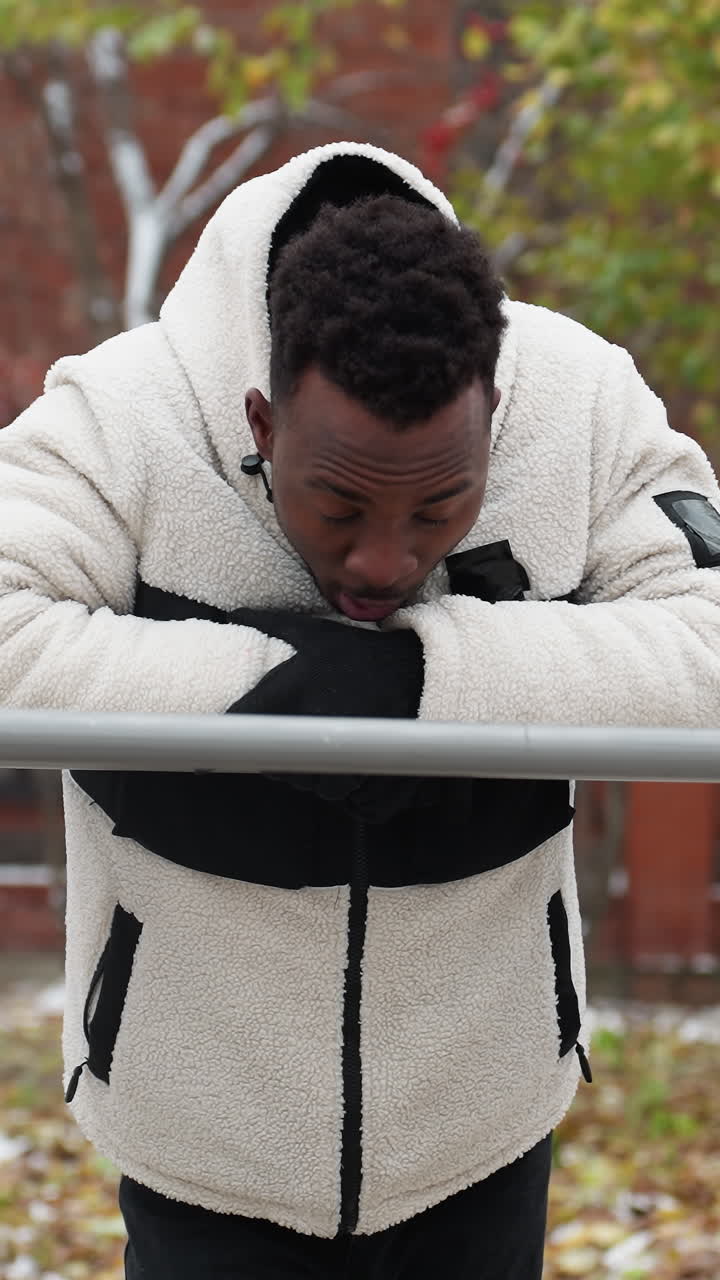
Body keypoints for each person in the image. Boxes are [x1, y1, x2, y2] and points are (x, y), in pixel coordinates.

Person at [1, 141, 720, 1279]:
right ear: (259, 419)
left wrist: (425, 680)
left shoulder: (576, 402)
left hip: (479, 1117)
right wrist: (274, 689)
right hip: (204, 1131)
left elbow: (708, 637)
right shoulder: (122, 417)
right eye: (337, 502)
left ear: (496, 411)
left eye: (444, 506)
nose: (384, 560)